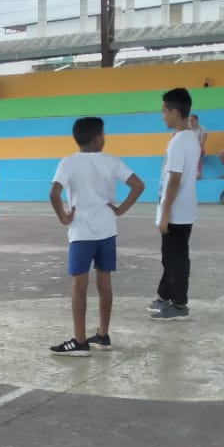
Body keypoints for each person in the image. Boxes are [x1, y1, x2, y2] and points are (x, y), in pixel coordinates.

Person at [48, 117, 145, 356]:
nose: (104, 137)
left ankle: (80, 340)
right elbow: (138, 185)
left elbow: (54, 193)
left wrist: (64, 217)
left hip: (81, 232)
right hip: (107, 229)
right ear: (96, 138)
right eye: (103, 133)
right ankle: (103, 334)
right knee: (105, 283)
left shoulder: (68, 162)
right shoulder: (111, 161)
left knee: (79, 286)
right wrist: (121, 209)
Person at [149, 88, 200, 320]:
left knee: (176, 258)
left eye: (164, 111)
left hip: (176, 212)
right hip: (181, 210)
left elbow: (174, 180)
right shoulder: (189, 138)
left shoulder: (179, 142)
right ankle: (165, 295)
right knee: (170, 256)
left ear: (175, 112)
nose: (162, 116)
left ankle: (179, 304)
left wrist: (165, 213)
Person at [188, 114, 208, 179]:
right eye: (189, 120)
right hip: (188, 149)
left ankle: (199, 173)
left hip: (199, 149)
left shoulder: (203, 129)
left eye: (192, 120)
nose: (190, 122)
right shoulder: (186, 130)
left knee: (197, 151)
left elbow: (202, 143)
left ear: (197, 120)